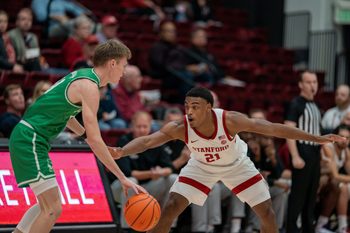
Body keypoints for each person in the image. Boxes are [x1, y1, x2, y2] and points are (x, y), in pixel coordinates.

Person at [108, 86, 344, 233]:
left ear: (209, 108)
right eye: (187, 106)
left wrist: (316, 137)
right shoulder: (181, 126)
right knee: (170, 207)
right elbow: (148, 141)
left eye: (195, 107)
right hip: (201, 166)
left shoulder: (230, 120)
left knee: (267, 214)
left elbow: (273, 129)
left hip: (237, 166)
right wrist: (121, 151)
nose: (189, 112)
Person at [9, 39, 145, 233]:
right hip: (31, 138)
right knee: (52, 209)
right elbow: (95, 138)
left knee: (45, 206)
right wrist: (122, 177)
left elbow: (66, 114)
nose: (124, 72)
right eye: (123, 66)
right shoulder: (89, 87)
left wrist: (85, 136)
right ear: (112, 63)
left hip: (28, 136)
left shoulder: (82, 77)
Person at [285, 71, 322, 233]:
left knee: (311, 197)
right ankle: (291, 230)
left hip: (315, 154)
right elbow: (288, 131)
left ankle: (308, 229)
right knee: (298, 197)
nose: (312, 85)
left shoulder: (316, 106)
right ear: (300, 84)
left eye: (314, 82)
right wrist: (295, 156)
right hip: (302, 152)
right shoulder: (296, 104)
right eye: (308, 82)